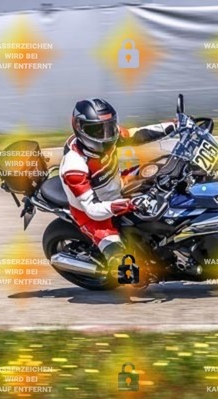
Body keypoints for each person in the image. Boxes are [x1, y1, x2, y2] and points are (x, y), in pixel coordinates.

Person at [59, 98, 174, 280]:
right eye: (97, 130)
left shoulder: (109, 134)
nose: (106, 135)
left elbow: (137, 134)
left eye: (109, 127)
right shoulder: (74, 166)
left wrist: (174, 126)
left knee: (165, 166)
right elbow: (93, 210)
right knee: (128, 272)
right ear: (80, 128)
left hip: (118, 184)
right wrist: (128, 205)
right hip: (94, 215)